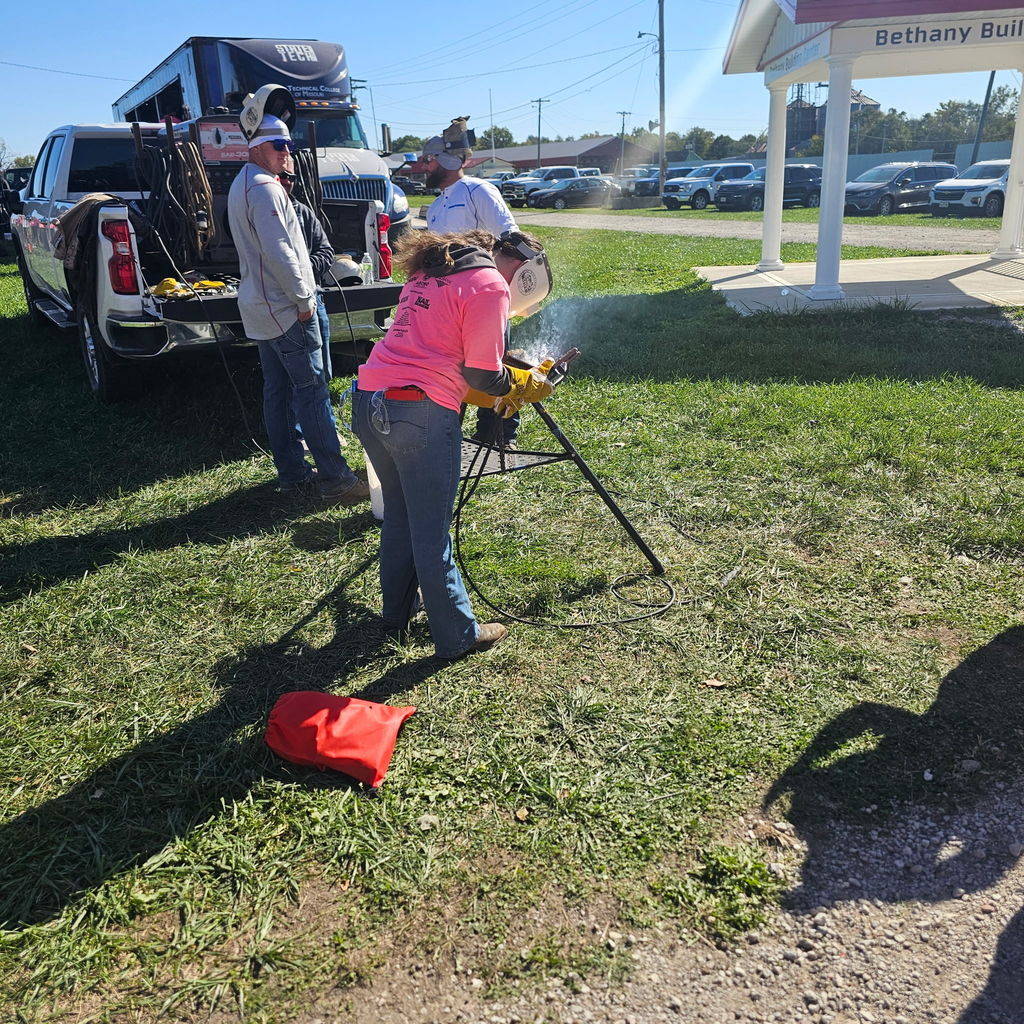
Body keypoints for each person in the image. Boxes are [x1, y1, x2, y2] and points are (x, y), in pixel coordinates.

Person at [350, 229, 553, 661]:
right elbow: (482, 374)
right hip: (418, 412)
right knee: (431, 531)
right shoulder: (488, 283)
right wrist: (520, 384)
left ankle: (396, 613)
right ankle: (457, 635)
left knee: (401, 515)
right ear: (524, 271)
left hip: (370, 400)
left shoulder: (431, 271)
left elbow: (439, 348)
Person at [227, 113, 368, 505]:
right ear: (256, 147)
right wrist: (305, 300)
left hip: (264, 308)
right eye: (279, 145)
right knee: (313, 392)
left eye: (289, 145)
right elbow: (281, 253)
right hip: (286, 308)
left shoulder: (245, 184)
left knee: (278, 391)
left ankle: (292, 472)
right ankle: (336, 479)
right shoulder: (264, 190)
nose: (286, 153)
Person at [423, 117, 521, 449]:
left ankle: (498, 435)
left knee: (494, 362)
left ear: (445, 160)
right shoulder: (436, 206)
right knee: (455, 367)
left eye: (430, 159)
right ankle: (452, 434)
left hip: (482, 298)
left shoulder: (478, 190)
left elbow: (509, 238)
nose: (426, 166)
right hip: (449, 303)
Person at [279, 169, 335, 430]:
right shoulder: (260, 208)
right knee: (293, 377)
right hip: (282, 304)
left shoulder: (303, 212)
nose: (286, 181)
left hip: (314, 299)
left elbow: (326, 252)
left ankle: (322, 426)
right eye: (280, 176)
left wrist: (300, 270)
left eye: (290, 176)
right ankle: (301, 432)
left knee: (321, 370)